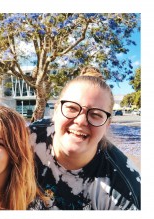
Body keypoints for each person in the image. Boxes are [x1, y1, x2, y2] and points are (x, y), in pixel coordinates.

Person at [30, 66, 141, 210]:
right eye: (72, 108)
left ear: (107, 124)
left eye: (95, 114)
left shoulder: (125, 192)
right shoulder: (25, 139)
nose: (81, 121)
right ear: (56, 111)